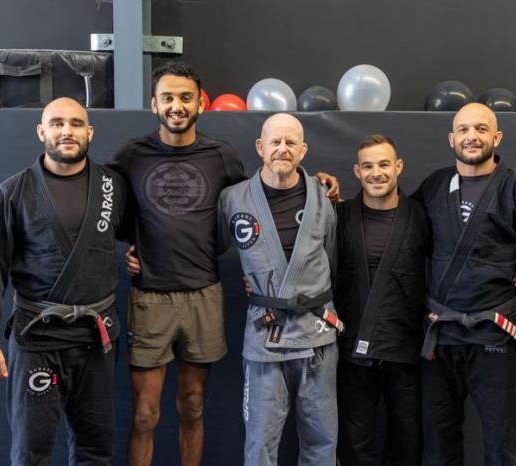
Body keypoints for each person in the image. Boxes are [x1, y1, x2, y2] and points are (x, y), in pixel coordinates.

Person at [111, 62, 339, 466]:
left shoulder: (221, 156)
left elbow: (251, 210)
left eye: (185, 97)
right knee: (144, 415)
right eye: (168, 97)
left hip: (204, 293)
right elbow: (104, 209)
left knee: (193, 404)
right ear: (154, 104)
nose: (177, 106)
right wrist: (128, 249)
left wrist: (321, 188)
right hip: (150, 296)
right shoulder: (130, 155)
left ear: (200, 103)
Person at [0, 97, 128, 465]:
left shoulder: (112, 186)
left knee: (96, 450)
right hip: (37, 338)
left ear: (89, 132)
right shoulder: (13, 191)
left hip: (96, 337)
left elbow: (137, 231)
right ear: (42, 132)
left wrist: (138, 256)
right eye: (57, 123)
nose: (66, 131)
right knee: (31, 452)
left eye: (76, 123)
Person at [414, 103, 516, 466]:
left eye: (481, 129)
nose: (472, 137)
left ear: (497, 137)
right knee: (438, 447)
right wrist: (335, 200)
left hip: (494, 337)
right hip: (440, 337)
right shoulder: (434, 186)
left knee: (502, 445)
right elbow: (399, 230)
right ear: (451, 139)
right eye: (464, 130)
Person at [218, 113, 341, 466]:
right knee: (260, 443)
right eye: (275, 142)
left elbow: (332, 258)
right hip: (265, 335)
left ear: (303, 150)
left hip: (316, 333)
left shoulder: (324, 197)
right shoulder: (233, 199)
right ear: (261, 147)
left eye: (291, 142)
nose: (282, 149)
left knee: (322, 441)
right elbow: (203, 249)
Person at [334, 135, 428, 466]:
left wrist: (511, 268)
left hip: (406, 349)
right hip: (351, 348)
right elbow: (303, 253)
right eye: (368, 166)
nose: (377, 173)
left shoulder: (421, 216)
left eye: (384, 164)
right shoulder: (339, 215)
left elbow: (455, 258)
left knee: (407, 442)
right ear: (357, 171)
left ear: (398, 166)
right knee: (354, 444)